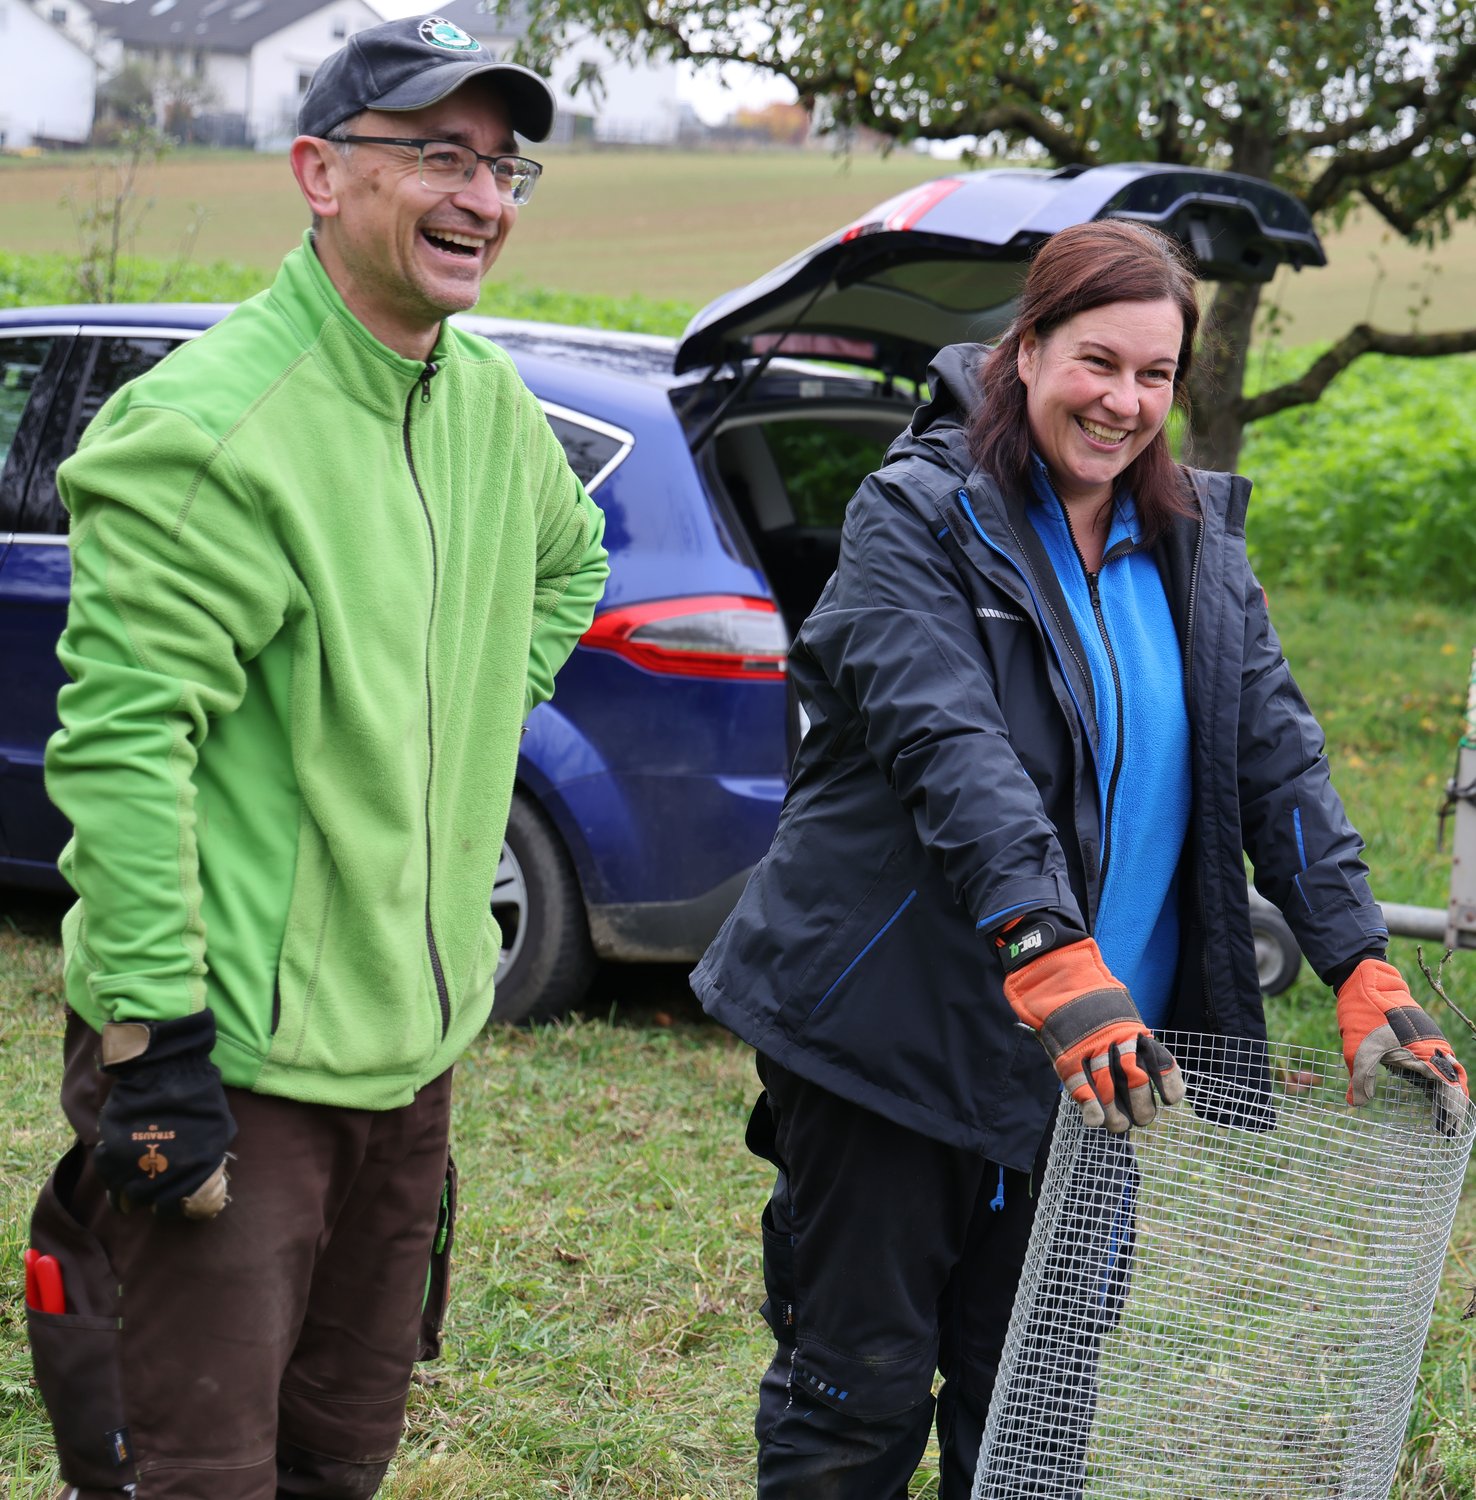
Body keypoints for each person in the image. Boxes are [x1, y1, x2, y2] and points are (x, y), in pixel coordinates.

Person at [690, 218, 1468, 1498]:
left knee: (1030, 1413)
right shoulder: (919, 519)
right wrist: (1049, 951)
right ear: (1028, 347)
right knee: (858, 1398)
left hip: (1102, 1065)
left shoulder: (1197, 550)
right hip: (897, 1035)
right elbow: (955, 753)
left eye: (1155, 376)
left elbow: (1275, 757)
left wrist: (1357, 959)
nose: (1123, 402)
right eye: (1095, 362)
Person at [25, 16, 608, 1499]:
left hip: (407, 1059)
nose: (481, 197)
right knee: (194, 1470)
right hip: (238, 1071)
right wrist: (157, 1041)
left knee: (340, 1454)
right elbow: (120, 747)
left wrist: (468, 718)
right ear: (319, 173)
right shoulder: (217, 428)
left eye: (501, 165)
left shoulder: (475, 400)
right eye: (436, 156)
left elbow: (569, 556)